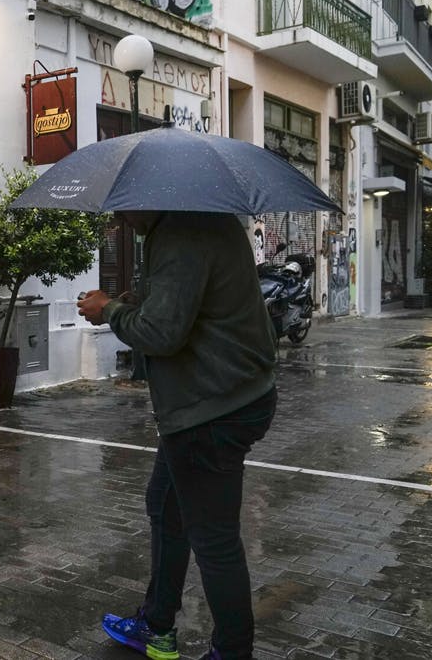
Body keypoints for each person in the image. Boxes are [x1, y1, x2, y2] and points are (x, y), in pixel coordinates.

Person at [77, 211, 277, 660]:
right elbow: (190, 306)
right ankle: (156, 625)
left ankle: (231, 652)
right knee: (165, 507)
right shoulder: (204, 221)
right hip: (211, 402)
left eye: (125, 209)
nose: (122, 219)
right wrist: (136, 301)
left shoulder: (181, 233)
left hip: (212, 408)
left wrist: (109, 310)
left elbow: (162, 333)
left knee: (214, 539)